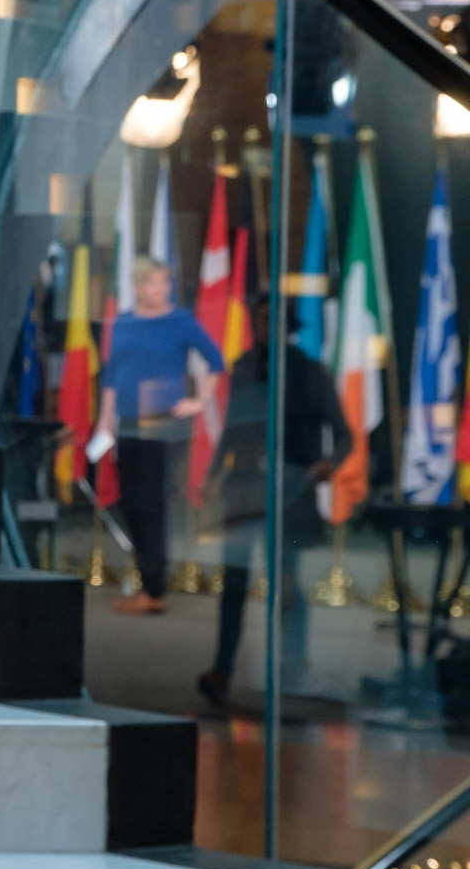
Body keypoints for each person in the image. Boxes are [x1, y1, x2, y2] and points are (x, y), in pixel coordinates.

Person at [198, 296, 349, 705]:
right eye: (260, 318)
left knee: (286, 583)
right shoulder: (244, 367)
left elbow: (344, 433)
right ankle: (222, 669)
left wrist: (326, 465)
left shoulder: (310, 372)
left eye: (272, 319)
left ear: (287, 325)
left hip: (290, 492)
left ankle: (291, 666)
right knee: (234, 582)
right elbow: (233, 428)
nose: (265, 325)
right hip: (244, 488)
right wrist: (213, 475)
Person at [94, 254, 224, 614]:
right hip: (127, 424)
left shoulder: (180, 320)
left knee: (150, 505)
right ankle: (146, 584)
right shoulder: (123, 322)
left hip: (162, 425)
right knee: (130, 503)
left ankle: (154, 590)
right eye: (153, 281)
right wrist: (104, 421)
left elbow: (216, 360)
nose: (161, 288)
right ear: (137, 286)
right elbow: (111, 376)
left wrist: (200, 401)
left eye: (165, 281)